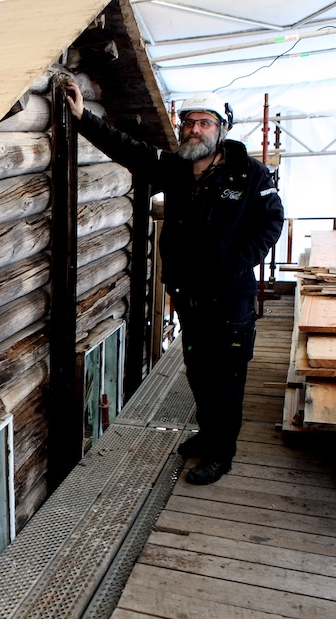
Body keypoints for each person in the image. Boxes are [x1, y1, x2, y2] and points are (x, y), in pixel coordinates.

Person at [65, 83, 284, 485]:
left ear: (222, 129)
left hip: (230, 298)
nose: (194, 129)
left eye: (204, 123)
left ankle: (221, 453)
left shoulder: (250, 174)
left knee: (227, 379)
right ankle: (208, 434)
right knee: (199, 371)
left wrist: (235, 265)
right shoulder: (177, 168)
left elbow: (271, 222)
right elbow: (129, 149)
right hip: (190, 295)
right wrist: (83, 118)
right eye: (189, 123)